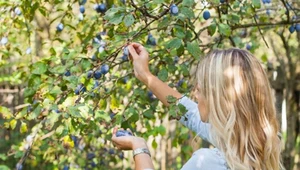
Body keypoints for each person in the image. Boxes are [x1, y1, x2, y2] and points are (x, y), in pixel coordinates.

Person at [111, 43, 283, 170]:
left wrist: (139, 147)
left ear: (217, 100)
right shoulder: (263, 151)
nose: (195, 95)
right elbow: (189, 112)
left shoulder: (207, 163)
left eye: (199, 90)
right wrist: (145, 75)